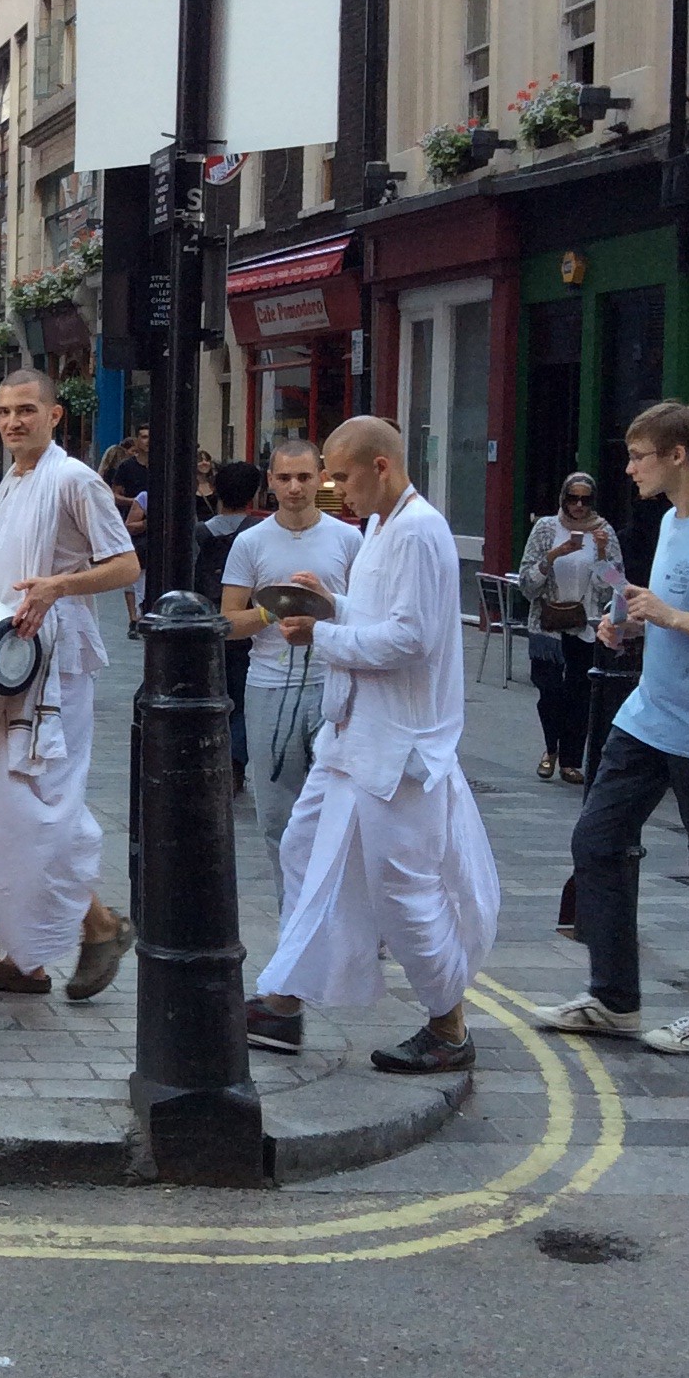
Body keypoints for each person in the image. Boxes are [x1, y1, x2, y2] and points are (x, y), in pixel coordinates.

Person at [247, 417, 499, 1072]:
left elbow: (411, 640)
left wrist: (320, 636)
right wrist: (334, 602)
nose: (334, 490)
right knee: (303, 849)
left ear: (381, 466)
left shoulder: (417, 530)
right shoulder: (383, 528)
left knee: (403, 889)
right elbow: (382, 618)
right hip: (353, 734)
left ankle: (448, 1028)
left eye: (341, 476)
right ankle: (284, 1000)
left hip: (398, 749)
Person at [535, 402, 689, 1056]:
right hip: (648, 716)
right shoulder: (668, 522)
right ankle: (613, 1000)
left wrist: (669, 616)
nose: (627, 468)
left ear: (677, 455)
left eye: (638, 455)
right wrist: (628, 622)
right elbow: (665, 612)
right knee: (597, 842)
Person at [0, 369, 141, 1002]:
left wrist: (57, 587)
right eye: (4, 412)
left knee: (39, 807)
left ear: (54, 414)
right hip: (3, 662)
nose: (14, 422)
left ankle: (98, 928)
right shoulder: (14, 481)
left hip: (55, 667)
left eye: (26, 410)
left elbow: (126, 564)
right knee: (0, 811)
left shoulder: (75, 480)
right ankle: (26, 959)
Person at [221, 441, 363, 894]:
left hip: (333, 681)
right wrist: (272, 611)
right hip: (268, 686)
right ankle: (294, 920)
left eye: (304, 477)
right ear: (270, 482)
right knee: (279, 815)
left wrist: (326, 604)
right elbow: (226, 622)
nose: (295, 488)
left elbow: (368, 615)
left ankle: (347, 917)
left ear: (319, 477)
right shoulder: (250, 542)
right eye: (284, 478)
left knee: (340, 808)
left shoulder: (347, 538)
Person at [517, 471, 613, 784]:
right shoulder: (546, 527)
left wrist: (600, 553)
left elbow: (613, 586)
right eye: (573, 499)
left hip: (584, 624)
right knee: (549, 690)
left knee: (579, 694)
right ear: (563, 499)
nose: (579, 506)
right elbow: (526, 584)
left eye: (586, 500)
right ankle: (550, 748)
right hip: (547, 624)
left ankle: (571, 760)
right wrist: (552, 556)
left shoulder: (603, 531)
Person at [194, 458, 267, 790]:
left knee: (215, 696)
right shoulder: (257, 533)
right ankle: (236, 759)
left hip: (207, 625)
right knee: (244, 699)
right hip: (247, 625)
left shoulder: (199, 533)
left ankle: (217, 758)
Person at [104, 424, 150, 634]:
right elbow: (114, 495)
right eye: (143, 437)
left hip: (154, 525)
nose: (147, 440)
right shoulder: (127, 467)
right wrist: (136, 502)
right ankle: (133, 617)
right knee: (133, 570)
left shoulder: (164, 465)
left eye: (151, 437)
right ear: (137, 440)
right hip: (130, 522)